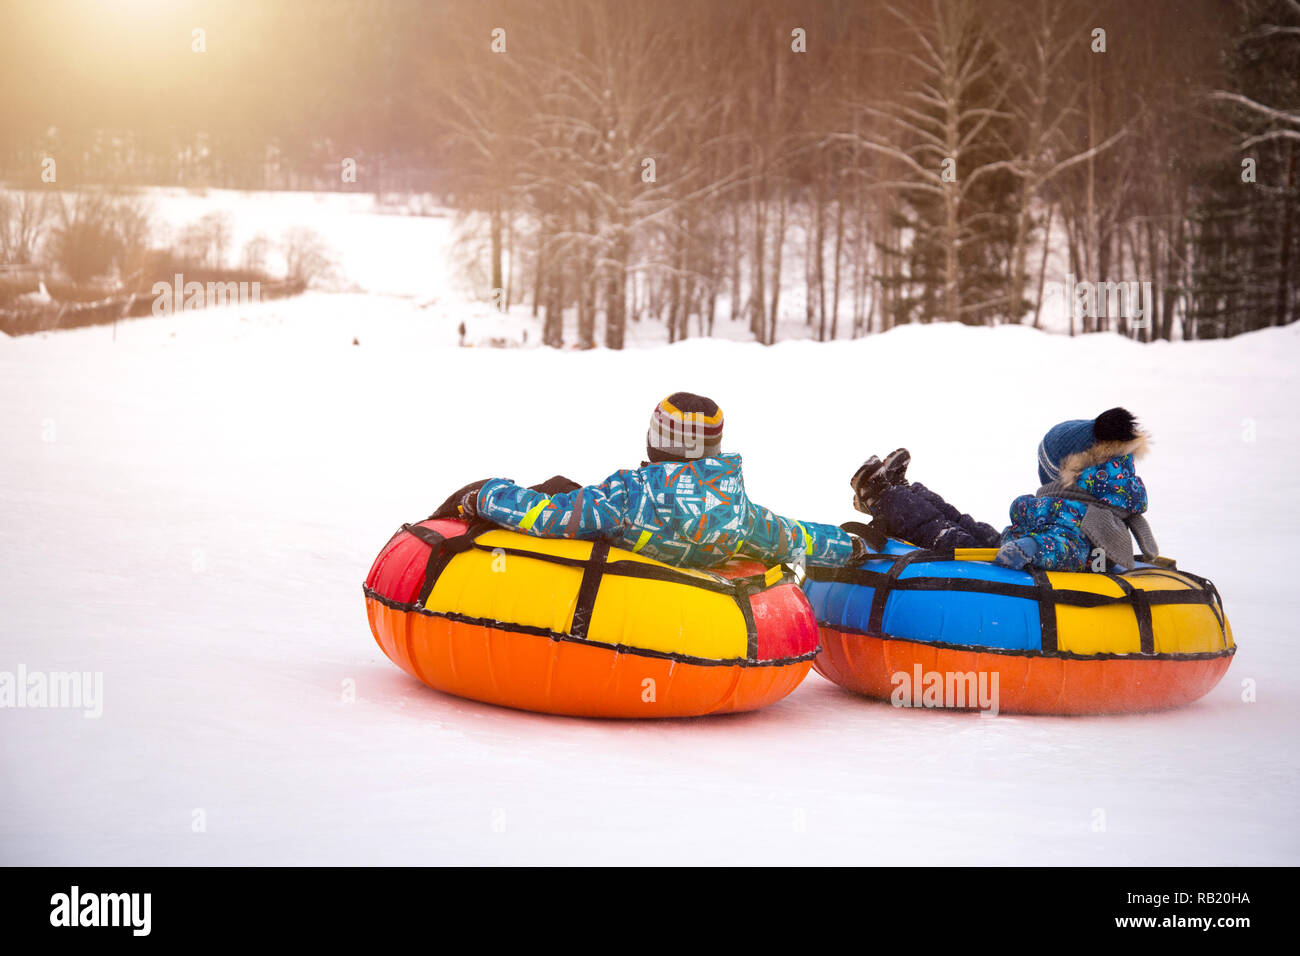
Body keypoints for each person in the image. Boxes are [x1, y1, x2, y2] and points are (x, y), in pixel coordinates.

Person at [447, 392, 870, 570]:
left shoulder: (628, 496)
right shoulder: (739, 513)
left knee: (558, 487)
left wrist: (483, 495)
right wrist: (848, 545)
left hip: (624, 600)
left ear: (658, 441)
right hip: (695, 596)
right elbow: (793, 538)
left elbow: (545, 517)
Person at [994, 407, 1158, 572]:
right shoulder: (1068, 508)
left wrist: (1033, 548)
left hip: (1048, 561)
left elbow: (1072, 551)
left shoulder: (1087, 518)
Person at [849, 449, 1002, 550]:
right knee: (962, 523)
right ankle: (901, 491)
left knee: (949, 536)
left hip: (1009, 573)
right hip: (1010, 549)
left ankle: (884, 500)